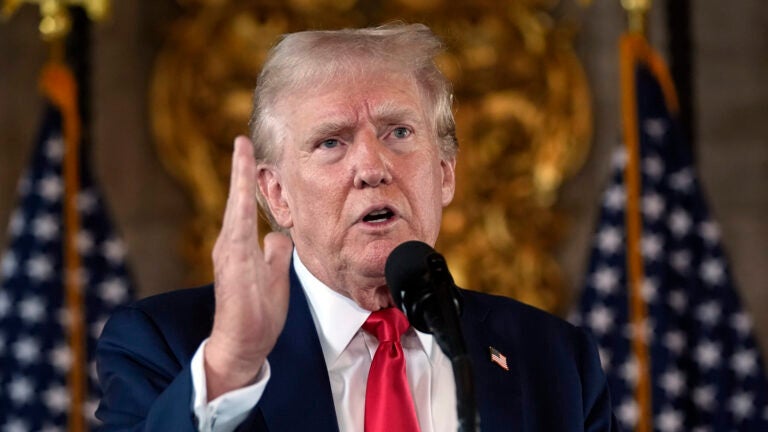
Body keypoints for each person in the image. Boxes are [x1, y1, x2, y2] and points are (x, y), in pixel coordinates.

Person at [96, 23, 618, 431]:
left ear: (444, 173)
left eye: (398, 132)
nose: (372, 167)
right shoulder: (167, 345)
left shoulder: (553, 360)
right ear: (277, 193)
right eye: (331, 142)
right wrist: (229, 370)